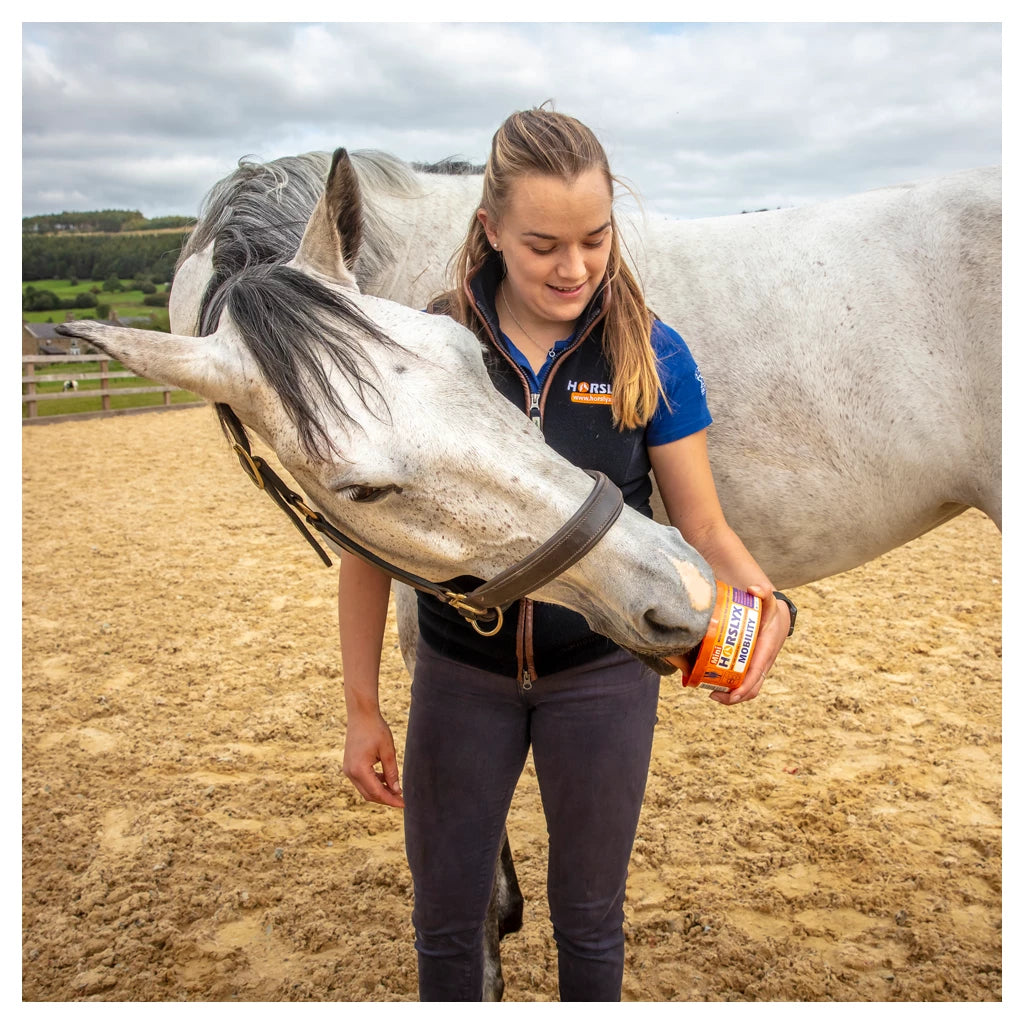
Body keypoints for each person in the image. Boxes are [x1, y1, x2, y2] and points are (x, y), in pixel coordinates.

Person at [337, 106, 793, 1001]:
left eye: (595, 239)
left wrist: (769, 607)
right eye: (543, 244)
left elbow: (701, 525)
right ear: (491, 231)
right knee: (444, 921)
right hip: (460, 675)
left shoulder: (649, 350)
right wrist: (362, 706)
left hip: (603, 678)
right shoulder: (427, 351)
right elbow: (368, 546)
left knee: (590, 920)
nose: (575, 268)